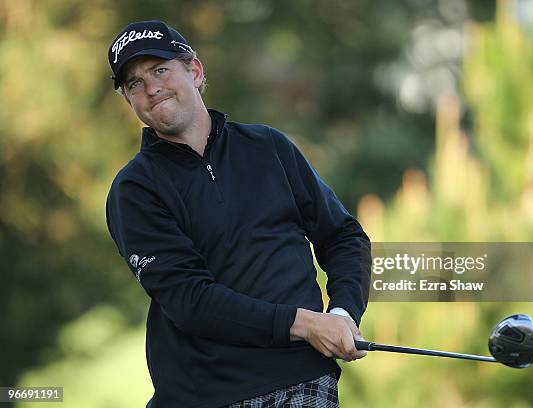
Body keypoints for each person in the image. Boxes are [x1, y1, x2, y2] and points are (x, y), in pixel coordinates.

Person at [105, 20, 371, 408]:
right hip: (206, 395)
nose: (151, 88)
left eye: (160, 70)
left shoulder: (268, 147)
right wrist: (307, 323)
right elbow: (190, 300)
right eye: (133, 83)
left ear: (194, 71)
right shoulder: (134, 190)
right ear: (130, 100)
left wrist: (344, 312)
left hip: (304, 380)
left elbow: (343, 236)